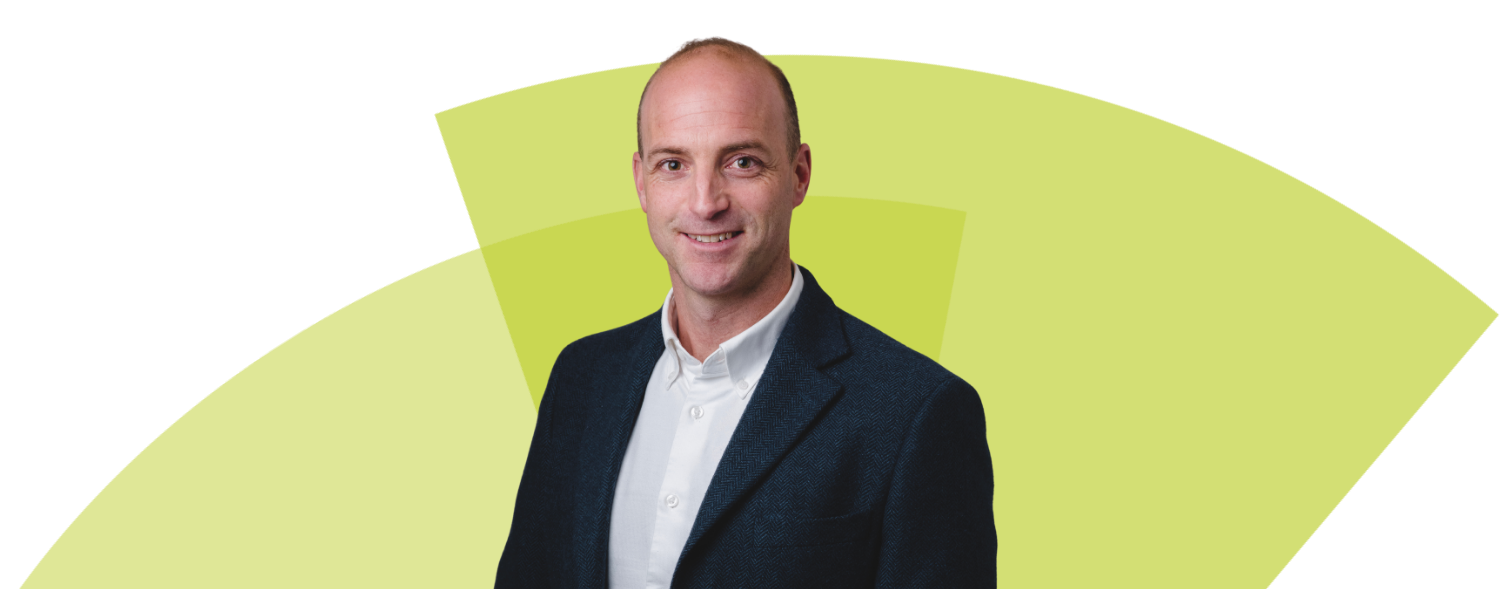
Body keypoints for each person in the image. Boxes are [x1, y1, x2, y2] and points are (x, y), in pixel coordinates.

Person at [494, 37, 995, 588]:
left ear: (799, 174)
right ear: (641, 182)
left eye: (742, 162)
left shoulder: (916, 413)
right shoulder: (582, 378)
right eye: (673, 164)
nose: (705, 202)